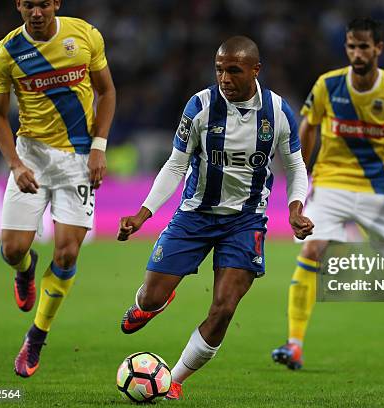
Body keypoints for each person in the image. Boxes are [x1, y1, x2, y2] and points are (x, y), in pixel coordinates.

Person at [117, 35, 313, 400]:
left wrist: (295, 207)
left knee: (223, 308)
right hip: (195, 216)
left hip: (245, 221)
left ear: (256, 70)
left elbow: (296, 166)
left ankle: (172, 380)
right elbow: (176, 164)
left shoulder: (277, 111)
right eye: (220, 69)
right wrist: (143, 214)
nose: (224, 78)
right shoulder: (200, 106)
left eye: (233, 70)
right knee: (151, 296)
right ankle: (149, 305)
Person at [271, 18, 384, 371]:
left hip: (382, 191)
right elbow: (309, 128)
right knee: (313, 248)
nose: (357, 53)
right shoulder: (327, 86)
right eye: (351, 46)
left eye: (364, 46)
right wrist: (303, 181)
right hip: (331, 183)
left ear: (378, 48)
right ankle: (294, 344)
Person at [0, 0, 116, 377]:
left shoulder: (85, 35)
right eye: (29, 4)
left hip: (79, 161)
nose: (37, 12)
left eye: (43, 3)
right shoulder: (6, 52)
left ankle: (36, 337)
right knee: (12, 250)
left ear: (56, 3)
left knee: (66, 254)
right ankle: (25, 271)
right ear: (19, 6)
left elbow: (107, 92)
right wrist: (15, 162)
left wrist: (99, 147)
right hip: (31, 158)